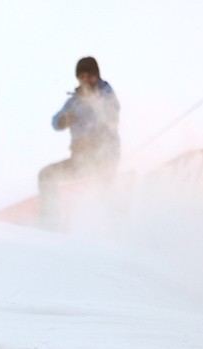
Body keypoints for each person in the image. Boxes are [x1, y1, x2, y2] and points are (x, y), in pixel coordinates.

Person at [39, 56, 121, 228]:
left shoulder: (105, 95)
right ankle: (50, 221)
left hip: (104, 158)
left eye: (90, 76)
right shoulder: (74, 101)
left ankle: (110, 217)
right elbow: (55, 121)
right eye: (82, 77)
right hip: (81, 160)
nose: (86, 81)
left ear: (97, 76)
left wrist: (90, 142)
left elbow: (110, 118)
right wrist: (63, 120)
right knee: (46, 175)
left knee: (103, 184)